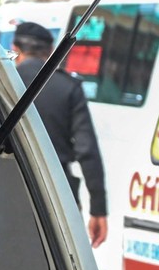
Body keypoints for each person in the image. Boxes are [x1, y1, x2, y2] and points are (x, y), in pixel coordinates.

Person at [11, 20, 109, 247]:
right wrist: (98, 209)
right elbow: (87, 151)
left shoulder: (1, 82)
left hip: (8, 187)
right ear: (49, 51)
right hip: (59, 191)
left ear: (15, 48)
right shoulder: (67, 87)